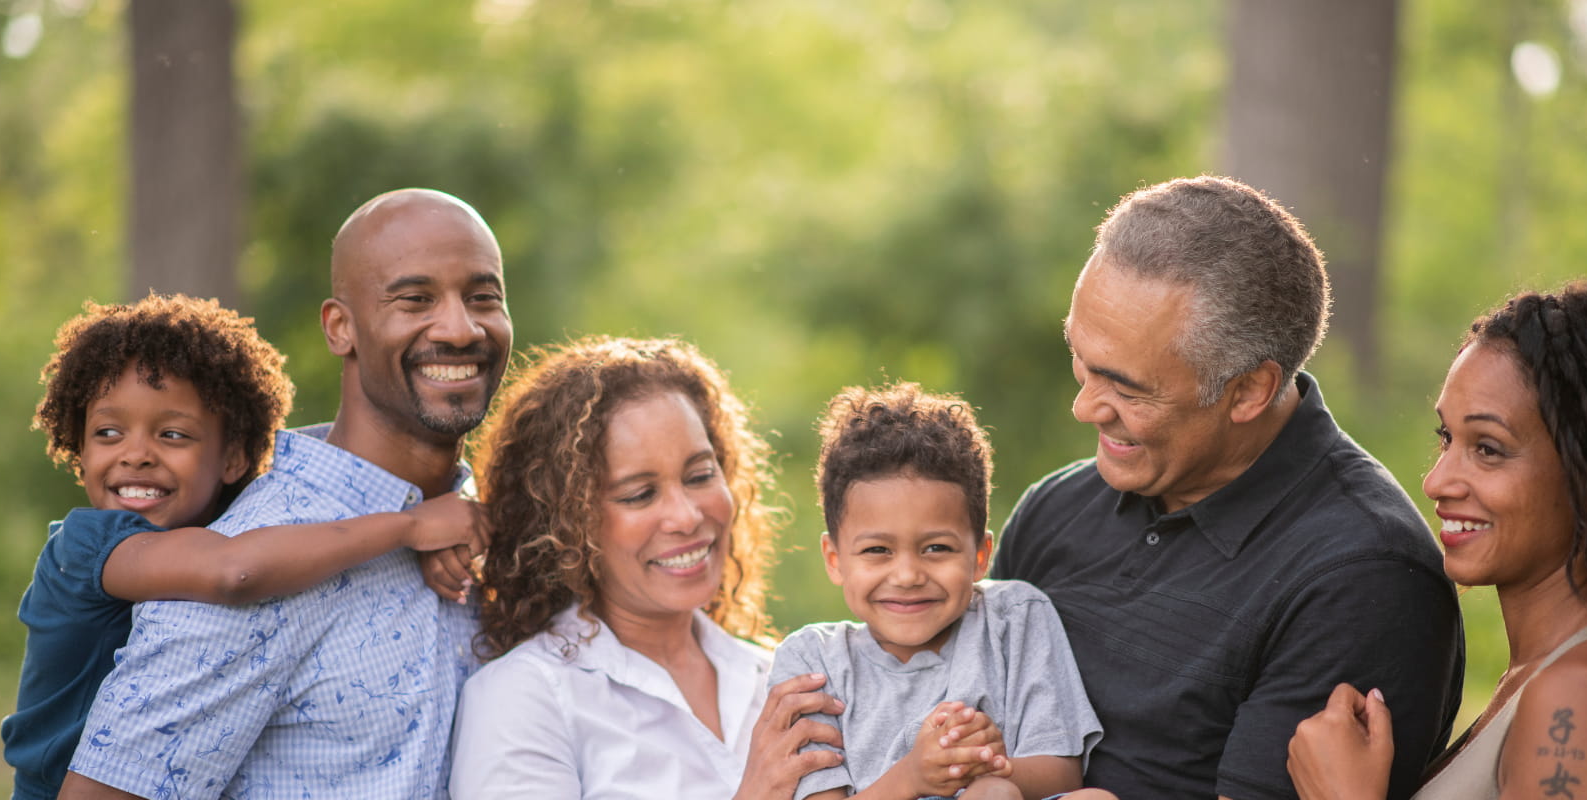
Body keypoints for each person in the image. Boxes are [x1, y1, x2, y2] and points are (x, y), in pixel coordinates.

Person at [990, 176, 1465, 800]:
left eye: (1127, 389)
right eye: (1080, 360)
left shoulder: (1361, 579)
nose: (1084, 408)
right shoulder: (1057, 510)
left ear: (1249, 391)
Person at [61, 188, 512, 799]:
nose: (461, 328)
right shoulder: (254, 555)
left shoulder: (486, 530)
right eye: (415, 299)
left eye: (484, 297)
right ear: (340, 327)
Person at [3, 294, 480, 799]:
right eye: (107, 432)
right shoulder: (86, 546)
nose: (136, 455)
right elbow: (235, 570)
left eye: (172, 434)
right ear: (77, 449)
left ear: (233, 458)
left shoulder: (231, 522)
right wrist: (408, 527)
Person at [1288, 284, 1587, 800]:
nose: (1436, 482)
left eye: (1488, 448)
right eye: (1446, 438)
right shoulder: (1546, 678)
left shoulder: (1586, 699)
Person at [448, 335, 842, 800]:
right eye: (639, 494)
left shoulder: (782, 676)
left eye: (699, 476)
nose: (687, 516)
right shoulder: (525, 699)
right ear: (569, 521)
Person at [768, 382, 1108, 800]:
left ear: (981, 554)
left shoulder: (1015, 618)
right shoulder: (812, 662)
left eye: (936, 548)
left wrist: (978, 765)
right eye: (877, 550)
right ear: (835, 558)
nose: (908, 574)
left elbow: (1062, 772)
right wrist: (914, 776)